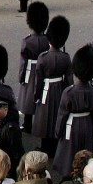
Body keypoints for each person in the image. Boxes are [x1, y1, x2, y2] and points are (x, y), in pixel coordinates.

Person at [52, 44, 93, 176]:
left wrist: (58, 133)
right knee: (86, 155)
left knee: (69, 155)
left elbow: (62, 116)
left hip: (71, 125)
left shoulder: (69, 92)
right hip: (87, 124)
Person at [32, 15, 72, 157]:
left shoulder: (43, 57)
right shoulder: (65, 57)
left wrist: (36, 96)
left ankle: (45, 146)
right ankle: (56, 146)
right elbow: (69, 80)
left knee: (44, 118)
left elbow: (38, 81)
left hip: (46, 91)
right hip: (60, 89)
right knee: (57, 116)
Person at [19, 2, 50, 134]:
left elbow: (23, 62)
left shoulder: (27, 41)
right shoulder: (48, 40)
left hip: (30, 71)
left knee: (28, 97)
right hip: (44, 70)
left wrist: (21, 76)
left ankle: (27, 124)